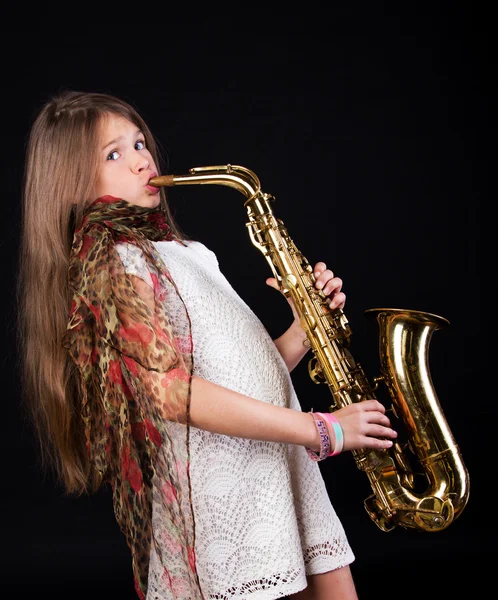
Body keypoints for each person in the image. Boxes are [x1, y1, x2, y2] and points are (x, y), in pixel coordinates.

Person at [17, 90, 397, 600]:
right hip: (225, 488)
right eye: (113, 154)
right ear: (70, 186)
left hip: (275, 464)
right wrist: (320, 430)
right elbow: (170, 395)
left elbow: (236, 373)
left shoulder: (186, 252)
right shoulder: (112, 265)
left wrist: (306, 330)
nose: (141, 159)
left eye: (138, 142)